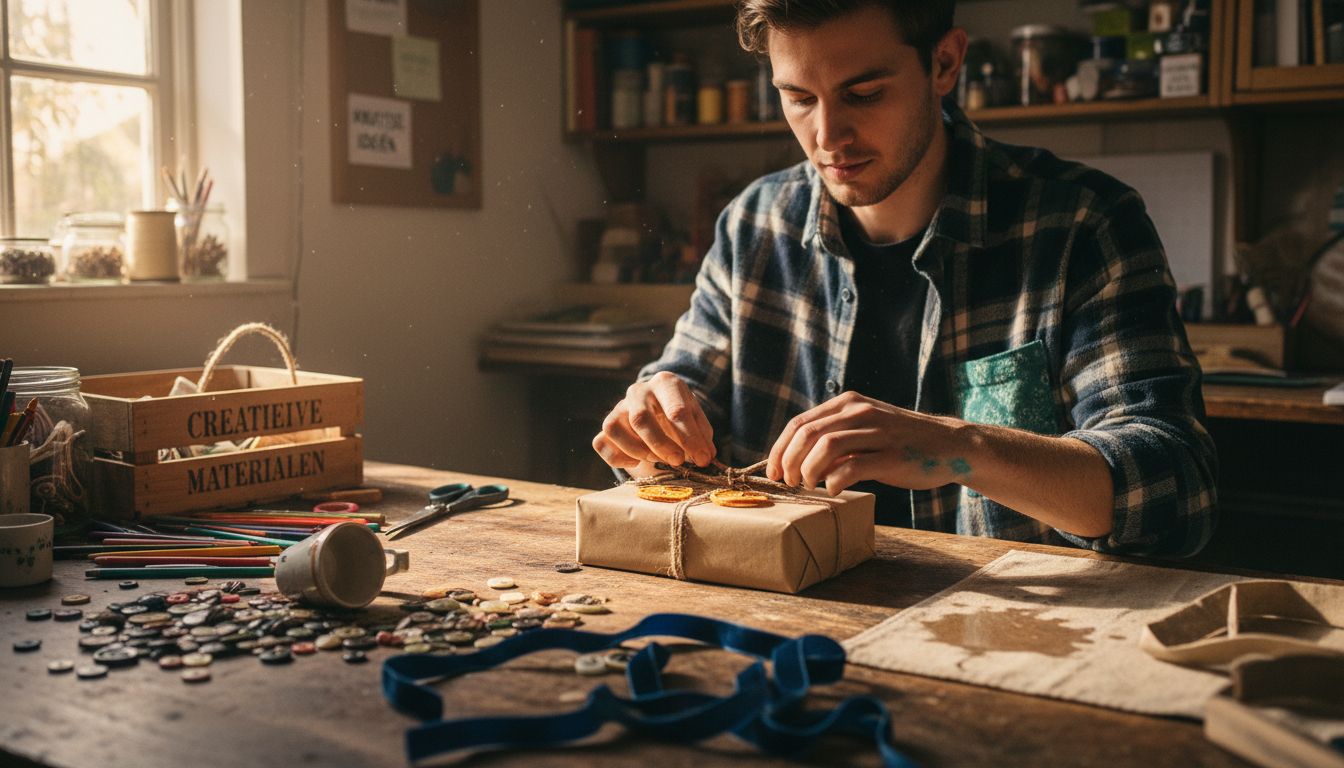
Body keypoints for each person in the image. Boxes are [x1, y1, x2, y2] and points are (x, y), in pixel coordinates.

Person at [592, 0, 1217, 556]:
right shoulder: (753, 225)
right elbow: (678, 407)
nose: (828, 137)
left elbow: (1178, 489)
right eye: (799, 98)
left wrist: (960, 447)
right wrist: (652, 427)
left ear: (944, 63)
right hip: (789, 614)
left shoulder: (1084, 224)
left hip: (1002, 624)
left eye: (864, 94)